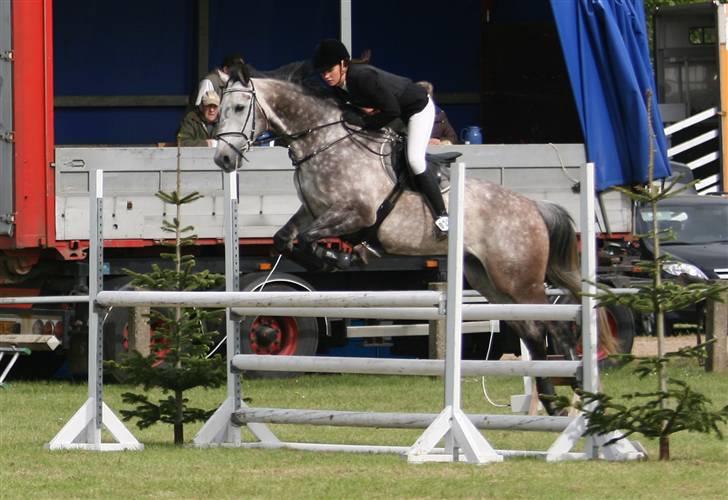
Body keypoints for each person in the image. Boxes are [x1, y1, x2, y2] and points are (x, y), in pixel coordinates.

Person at [312, 39, 448, 235]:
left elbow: (391, 110)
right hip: (395, 113)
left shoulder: (362, 77)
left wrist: (364, 123)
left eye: (329, 70)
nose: (325, 76)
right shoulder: (337, 87)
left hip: (416, 109)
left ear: (343, 64)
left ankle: (442, 216)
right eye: (322, 72)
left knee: (415, 160)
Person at [415, 81, 458, 145]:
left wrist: (440, 141)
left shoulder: (439, 115)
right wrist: (425, 141)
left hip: (435, 151)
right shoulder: (406, 114)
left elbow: (452, 137)